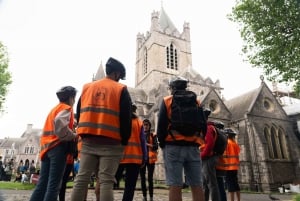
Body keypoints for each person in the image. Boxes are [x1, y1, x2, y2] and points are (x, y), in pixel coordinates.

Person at [70, 57, 132, 201]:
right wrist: (124, 141)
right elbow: (126, 119)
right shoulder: (120, 89)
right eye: (120, 77)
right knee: (106, 182)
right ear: (116, 74)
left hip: (88, 141)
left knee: (81, 179)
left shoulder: (87, 87)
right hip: (112, 143)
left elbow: (79, 112)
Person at [157, 76, 204, 201]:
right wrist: (197, 141)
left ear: (172, 88)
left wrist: (163, 143)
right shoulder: (196, 102)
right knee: (197, 184)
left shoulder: (167, 100)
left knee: (175, 184)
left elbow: (161, 126)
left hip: (173, 146)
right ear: (185, 87)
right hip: (193, 147)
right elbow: (203, 124)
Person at [29, 86, 77, 201]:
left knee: (42, 184)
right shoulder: (66, 108)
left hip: (46, 149)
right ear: (71, 98)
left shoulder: (54, 109)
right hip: (58, 147)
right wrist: (73, 135)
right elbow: (60, 124)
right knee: (54, 185)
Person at [119, 103, 147, 201]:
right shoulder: (139, 123)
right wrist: (144, 158)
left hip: (120, 157)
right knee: (130, 187)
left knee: (110, 182)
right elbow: (143, 141)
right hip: (135, 158)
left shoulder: (120, 121)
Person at [200, 110, 221, 201]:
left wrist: (201, 155)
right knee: (205, 184)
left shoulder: (208, 128)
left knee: (212, 184)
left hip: (208, 158)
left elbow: (210, 144)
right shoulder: (208, 127)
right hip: (207, 158)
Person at [139, 119, 158, 201]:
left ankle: (151, 197)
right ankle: (144, 196)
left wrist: (146, 144)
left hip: (150, 159)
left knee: (150, 179)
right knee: (142, 179)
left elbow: (156, 146)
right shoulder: (140, 135)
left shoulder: (153, 135)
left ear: (149, 126)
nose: (145, 126)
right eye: (144, 125)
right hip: (142, 159)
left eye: (147, 125)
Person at [223, 128, 240, 201]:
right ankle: (238, 199)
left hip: (228, 167)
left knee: (230, 186)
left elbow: (224, 155)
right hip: (235, 167)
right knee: (236, 184)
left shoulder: (226, 143)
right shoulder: (235, 144)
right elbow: (238, 152)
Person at [214, 121, 228, 201]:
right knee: (221, 185)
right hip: (222, 163)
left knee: (216, 185)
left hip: (216, 163)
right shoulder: (225, 136)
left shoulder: (218, 135)